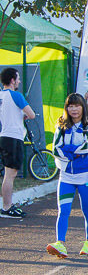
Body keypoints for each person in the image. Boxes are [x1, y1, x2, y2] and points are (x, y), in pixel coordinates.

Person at [46, 94, 88, 256]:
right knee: (63, 211)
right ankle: (60, 243)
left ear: (83, 107)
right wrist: (72, 151)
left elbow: (87, 148)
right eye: (70, 106)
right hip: (66, 176)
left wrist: (68, 149)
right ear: (66, 108)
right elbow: (56, 149)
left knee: (87, 211)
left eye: (77, 106)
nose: (74, 109)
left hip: (86, 177)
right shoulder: (61, 126)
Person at [0, 67, 36, 218]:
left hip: (4, 136)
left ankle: (7, 205)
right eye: (18, 78)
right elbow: (32, 114)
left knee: (8, 174)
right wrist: (24, 115)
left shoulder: (1, 96)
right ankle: (7, 207)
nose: (19, 81)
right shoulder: (16, 95)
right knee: (10, 174)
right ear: (12, 80)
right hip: (14, 137)